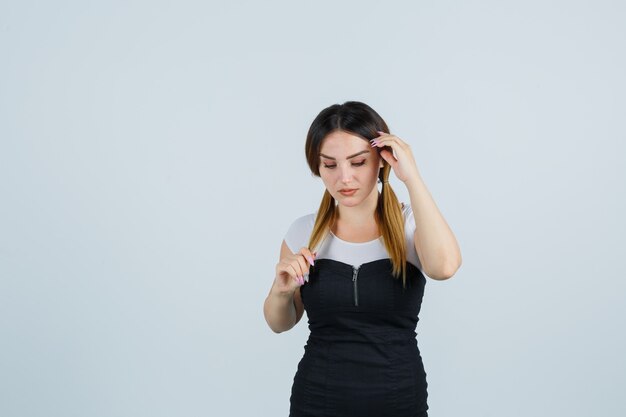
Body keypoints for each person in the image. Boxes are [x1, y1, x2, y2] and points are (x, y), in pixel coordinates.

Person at [263, 101, 462, 417]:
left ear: (382, 162)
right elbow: (280, 323)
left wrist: (412, 178)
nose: (344, 178)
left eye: (358, 162)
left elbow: (444, 267)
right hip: (316, 402)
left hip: (399, 403)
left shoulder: (413, 226)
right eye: (330, 165)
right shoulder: (303, 232)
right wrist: (281, 292)